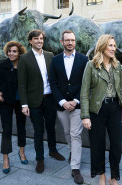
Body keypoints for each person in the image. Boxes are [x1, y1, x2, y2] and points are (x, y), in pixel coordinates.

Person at [81, 34, 122, 185]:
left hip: (114, 108)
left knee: (116, 144)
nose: (114, 48)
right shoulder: (91, 65)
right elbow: (84, 92)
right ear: (102, 47)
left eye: (114, 46)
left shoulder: (117, 65)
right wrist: (85, 116)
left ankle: (113, 176)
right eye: (110, 45)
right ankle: (101, 174)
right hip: (97, 109)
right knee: (97, 144)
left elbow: (121, 89)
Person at [18, 29, 65, 174]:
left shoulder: (50, 56)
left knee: (51, 127)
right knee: (38, 131)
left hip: (50, 99)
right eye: (36, 39)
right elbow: (22, 83)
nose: (39, 41)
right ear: (30, 41)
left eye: (41, 39)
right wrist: (24, 104)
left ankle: (53, 150)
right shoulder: (24, 59)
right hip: (34, 101)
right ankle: (40, 159)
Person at [49, 30, 88, 184]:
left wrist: (76, 101)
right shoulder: (56, 60)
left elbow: (86, 83)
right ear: (61, 42)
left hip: (78, 105)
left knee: (75, 134)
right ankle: (72, 151)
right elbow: (52, 82)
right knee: (67, 132)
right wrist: (62, 102)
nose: (70, 43)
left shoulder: (84, 59)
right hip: (62, 105)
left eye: (72, 40)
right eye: (67, 40)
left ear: (75, 41)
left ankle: (75, 168)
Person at [0, 41, 28, 174]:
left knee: (21, 127)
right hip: (5, 102)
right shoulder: (2, 65)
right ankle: (5, 158)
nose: (11, 53)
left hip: (21, 102)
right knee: (7, 130)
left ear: (20, 52)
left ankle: (21, 152)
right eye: (9, 51)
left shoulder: (24, 65)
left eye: (14, 51)